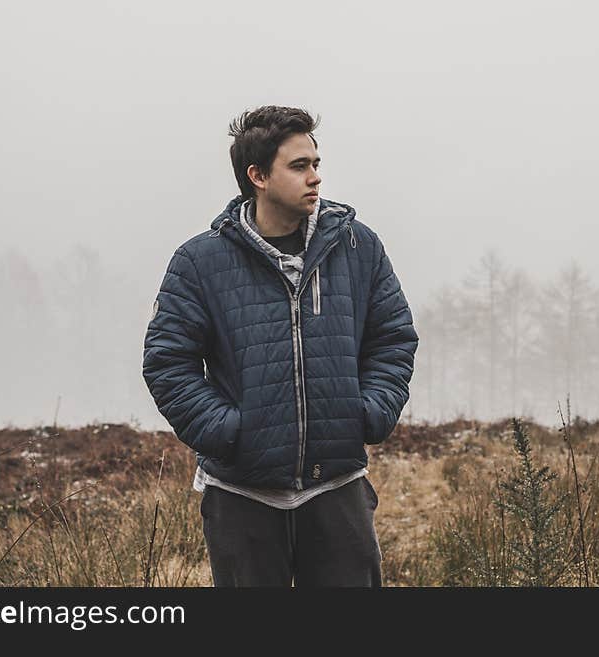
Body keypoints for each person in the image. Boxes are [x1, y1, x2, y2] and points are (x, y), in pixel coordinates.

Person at [142, 105, 418, 587]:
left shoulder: (357, 246)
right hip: (242, 498)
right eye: (299, 166)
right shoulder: (199, 262)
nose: (315, 177)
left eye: (316, 163)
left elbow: (392, 337)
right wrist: (230, 432)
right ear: (257, 176)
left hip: (338, 488)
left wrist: (368, 412)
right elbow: (169, 364)